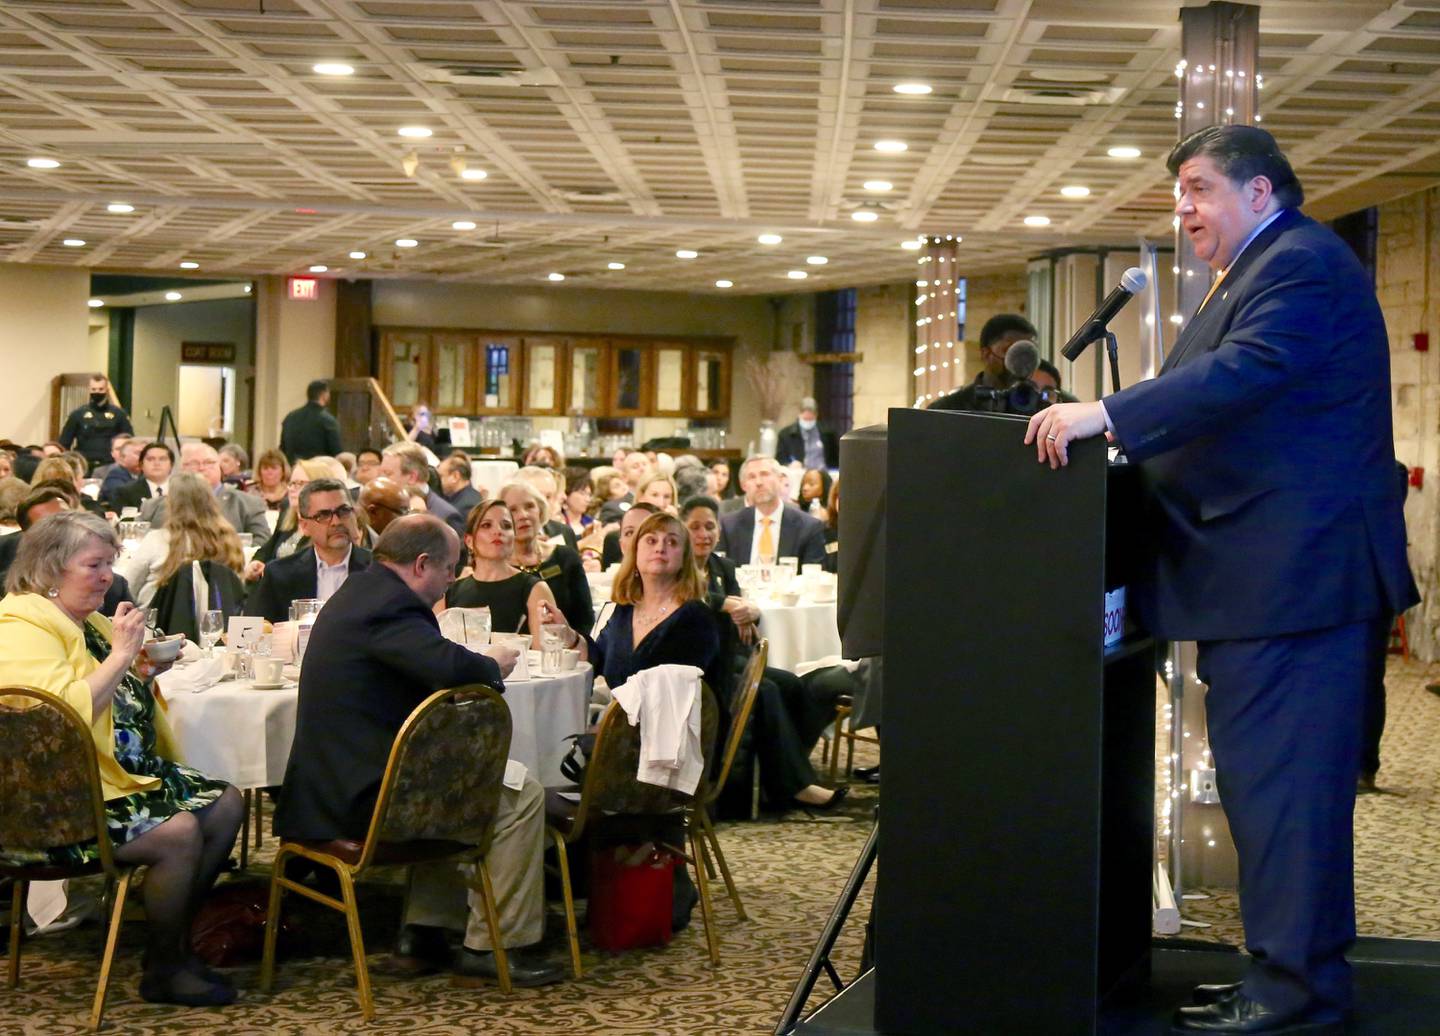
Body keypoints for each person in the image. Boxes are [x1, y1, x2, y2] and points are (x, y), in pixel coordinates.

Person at [1025, 125, 1417, 1036]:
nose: (1185, 210)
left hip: (1298, 585)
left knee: (1285, 800)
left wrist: (1106, 416)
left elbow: (1244, 375)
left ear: (1262, 194)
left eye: (1200, 190)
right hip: (1263, 585)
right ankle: (1282, 976)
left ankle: (1297, 996)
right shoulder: (1254, 270)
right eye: (1181, 194)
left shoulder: (1301, 266)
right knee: (1265, 795)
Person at [271, 515, 563, 987]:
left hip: (340, 780)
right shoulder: (388, 606)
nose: (452, 579)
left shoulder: (365, 591)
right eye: (449, 568)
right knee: (521, 792)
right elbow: (447, 664)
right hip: (356, 799)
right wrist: (493, 663)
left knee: (452, 777)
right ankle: (495, 945)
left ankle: (426, 932)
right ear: (422, 564)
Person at [0, 511, 243, 1006]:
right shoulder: (19, 626)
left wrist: (141, 671)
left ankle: (170, 943)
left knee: (226, 804)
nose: (108, 576)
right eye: (94, 565)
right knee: (178, 834)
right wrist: (120, 656)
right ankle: (166, 968)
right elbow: (59, 716)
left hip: (109, 778)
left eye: (110, 563)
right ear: (50, 568)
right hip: (52, 802)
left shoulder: (80, 620)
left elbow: (112, 701)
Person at [682, 497, 846, 810]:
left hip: (731, 653)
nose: (703, 534)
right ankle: (797, 785)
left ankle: (781, 771)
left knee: (793, 684)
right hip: (704, 661)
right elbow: (694, 599)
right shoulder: (679, 568)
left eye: (710, 526)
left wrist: (748, 613)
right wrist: (727, 605)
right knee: (766, 689)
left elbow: (743, 612)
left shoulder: (723, 567)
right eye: (695, 527)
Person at [585, 511, 723, 699]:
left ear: (684, 559)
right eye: (651, 541)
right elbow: (598, 659)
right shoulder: (626, 609)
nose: (660, 548)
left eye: (672, 542)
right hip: (623, 721)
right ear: (635, 553)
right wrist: (569, 636)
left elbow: (676, 696)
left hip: (672, 724)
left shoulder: (696, 618)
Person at [245, 478, 370, 622]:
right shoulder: (279, 575)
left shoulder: (379, 570)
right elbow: (255, 633)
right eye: (323, 515)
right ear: (304, 526)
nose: (336, 522)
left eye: (343, 511)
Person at [445, 500, 566, 646]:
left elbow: (546, 654)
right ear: (469, 541)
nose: (498, 531)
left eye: (506, 526)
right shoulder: (450, 591)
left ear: (513, 537)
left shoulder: (535, 589)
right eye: (486, 525)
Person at [118, 472, 245, 609]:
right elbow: (237, 588)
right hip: (218, 621)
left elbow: (128, 588)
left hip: (158, 625)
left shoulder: (157, 541)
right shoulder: (230, 539)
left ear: (171, 503)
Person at [500, 480, 593, 634]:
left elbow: (584, 620)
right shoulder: (494, 564)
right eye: (512, 510)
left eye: (529, 506)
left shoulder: (565, 558)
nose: (523, 515)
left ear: (541, 512)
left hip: (561, 651)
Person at [142, 443, 269, 539]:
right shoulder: (153, 507)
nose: (202, 468)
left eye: (209, 463)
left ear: (219, 467)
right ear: (182, 468)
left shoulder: (247, 504)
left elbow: (262, 541)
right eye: (194, 463)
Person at [719, 456, 826, 567]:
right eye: (751, 477)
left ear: (780, 479)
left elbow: (813, 577)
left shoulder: (808, 527)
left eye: (764, 474)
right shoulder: (729, 526)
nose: (758, 482)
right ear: (743, 486)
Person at [928, 314, 1039, 412]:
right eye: (1010, 351)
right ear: (986, 354)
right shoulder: (947, 410)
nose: (1019, 362)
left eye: (1027, 354)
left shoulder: (1041, 411)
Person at [381, 441, 464, 536]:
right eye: (380, 473)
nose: (380, 479)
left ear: (412, 477)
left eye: (387, 474)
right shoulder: (383, 508)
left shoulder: (446, 515)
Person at [58, 374, 134, 470]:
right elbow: (64, 443)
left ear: (107, 390)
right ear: (89, 390)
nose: (97, 392)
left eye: (100, 389)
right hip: (84, 465)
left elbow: (129, 441)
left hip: (110, 465)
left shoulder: (119, 415)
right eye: (94, 389)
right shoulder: (77, 414)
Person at [279, 379, 342, 463]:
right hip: (319, 472)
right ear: (324, 395)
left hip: (294, 471)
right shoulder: (328, 421)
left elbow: (282, 451)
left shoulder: (290, 417)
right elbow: (337, 453)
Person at [776, 396, 839, 470]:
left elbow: (836, 458)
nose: (808, 422)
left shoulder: (828, 433)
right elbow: (780, 460)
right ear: (799, 415)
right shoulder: (785, 435)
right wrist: (789, 465)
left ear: (816, 415)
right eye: (805, 419)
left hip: (824, 473)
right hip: (799, 474)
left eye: (811, 419)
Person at [111, 441, 173, 511]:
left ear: (171, 464)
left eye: (162, 459)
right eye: (150, 459)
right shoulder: (125, 492)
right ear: (141, 464)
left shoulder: (184, 491)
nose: (157, 463)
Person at [98, 436, 144, 503]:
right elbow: (126, 497)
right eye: (138, 453)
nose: (143, 457)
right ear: (123, 457)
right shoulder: (115, 475)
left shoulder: (145, 474)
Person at [438, 454, 483, 519]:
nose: (438, 481)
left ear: (455, 476)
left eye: (441, 476)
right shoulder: (468, 496)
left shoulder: (466, 506)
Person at [250, 448, 290, 514]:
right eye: (265, 468)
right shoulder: (250, 494)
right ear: (259, 471)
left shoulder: (291, 493)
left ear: (283, 471)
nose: (269, 472)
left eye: (274, 468)